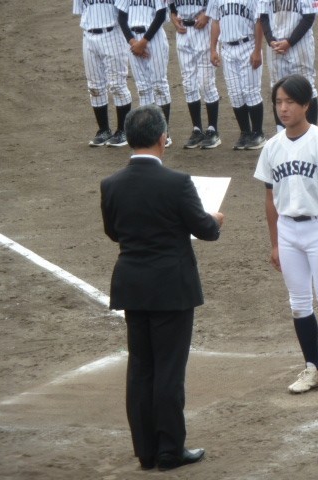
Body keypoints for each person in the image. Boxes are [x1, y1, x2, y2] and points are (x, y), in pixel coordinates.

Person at [100, 104, 224, 471]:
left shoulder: (111, 184)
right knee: (169, 370)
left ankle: (146, 451)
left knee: (141, 368)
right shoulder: (178, 182)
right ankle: (170, 449)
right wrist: (216, 220)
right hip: (171, 288)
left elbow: (113, 232)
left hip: (132, 285)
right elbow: (205, 229)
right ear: (162, 138)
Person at [254, 74, 318, 396]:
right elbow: (270, 198)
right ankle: (314, 368)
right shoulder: (272, 147)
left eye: (290, 102)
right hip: (287, 231)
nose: (283, 108)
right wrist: (275, 243)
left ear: (306, 105)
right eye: (278, 102)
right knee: (298, 304)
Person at [206, 0, 266, 150]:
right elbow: (215, 22)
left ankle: (258, 133)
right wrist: (213, 49)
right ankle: (245, 133)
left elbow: (259, 21)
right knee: (235, 94)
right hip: (227, 48)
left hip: (248, 45)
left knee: (251, 92)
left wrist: (257, 50)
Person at [73, 0, 132, 147]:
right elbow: (81, 10)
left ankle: (123, 131)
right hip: (88, 36)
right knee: (94, 87)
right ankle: (103, 130)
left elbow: (125, 10)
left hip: (113, 35)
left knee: (117, 85)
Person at [116, 0, 173, 147]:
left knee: (159, 86)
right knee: (143, 88)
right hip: (133, 39)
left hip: (154, 39)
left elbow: (161, 15)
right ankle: (148, 132)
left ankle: (164, 133)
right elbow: (121, 16)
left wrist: (143, 42)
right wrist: (132, 42)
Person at [259, 0, 318, 131]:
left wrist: (289, 42)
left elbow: (309, 17)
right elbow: (263, 16)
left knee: (306, 86)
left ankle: (311, 133)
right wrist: (270, 40)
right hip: (275, 46)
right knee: (277, 87)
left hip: (300, 45)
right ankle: (281, 133)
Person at [169, 0, 222, 150]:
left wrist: (207, 14)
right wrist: (173, 17)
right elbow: (171, 5)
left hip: (204, 30)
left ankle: (213, 130)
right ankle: (197, 129)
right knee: (188, 83)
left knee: (206, 82)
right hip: (183, 32)